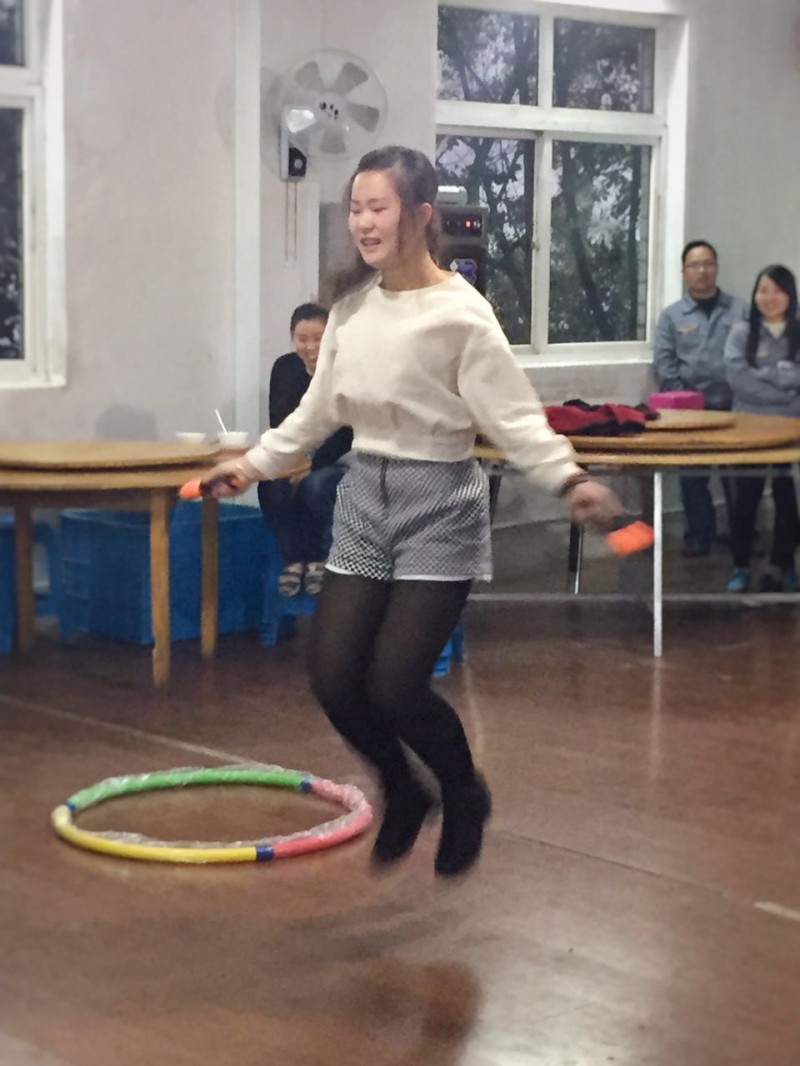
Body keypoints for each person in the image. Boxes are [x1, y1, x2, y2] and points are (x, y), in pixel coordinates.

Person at [202, 145, 621, 879]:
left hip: (439, 501)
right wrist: (252, 464)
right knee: (334, 676)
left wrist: (568, 478)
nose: (363, 223)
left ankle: (463, 794)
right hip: (366, 493)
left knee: (395, 684)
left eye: (379, 207)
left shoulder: (462, 314)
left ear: (421, 215)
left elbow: (513, 416)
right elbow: (316, 412)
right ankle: (404, 788)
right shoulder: (352, 310)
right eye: (356, 208)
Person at [653, 241, 748, 557]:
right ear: (684, 272)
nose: (702, 270)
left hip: (735, 407)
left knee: (739, 477)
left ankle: (742, 536)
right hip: (692, 412)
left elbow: (754, 355)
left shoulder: (741, 311)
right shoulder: (671, 317)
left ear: (716, 268)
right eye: (694, 265)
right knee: (693, 477)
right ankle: (699, 535)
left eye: (708, 263)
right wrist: (686, 402)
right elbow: (665, 364)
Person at [258, 303, 352, 596]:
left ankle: (320, 558)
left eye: (318, 338)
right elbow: (280, 421)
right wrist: (292, 461)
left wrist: (313, 465)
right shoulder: (285, 368)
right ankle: (293, 559)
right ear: (292, 338)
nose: (310, 347)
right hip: (297, 454)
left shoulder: (345, 369)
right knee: (270, 486)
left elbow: (346, 432)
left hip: (342, 458)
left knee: (316, 486)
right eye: (302, 339)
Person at [723, 265, 800, 593]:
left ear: (790, 295)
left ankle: (781, 565)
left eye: (778, 291)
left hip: (790, 430)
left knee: (788, 499)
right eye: (763, 290)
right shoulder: (741, 333)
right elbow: (739, 380)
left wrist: (768, 374)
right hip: (749, 427)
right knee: (746, 498)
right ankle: (740, 566)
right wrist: (785, 384)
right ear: (754, 295)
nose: (770, 298)